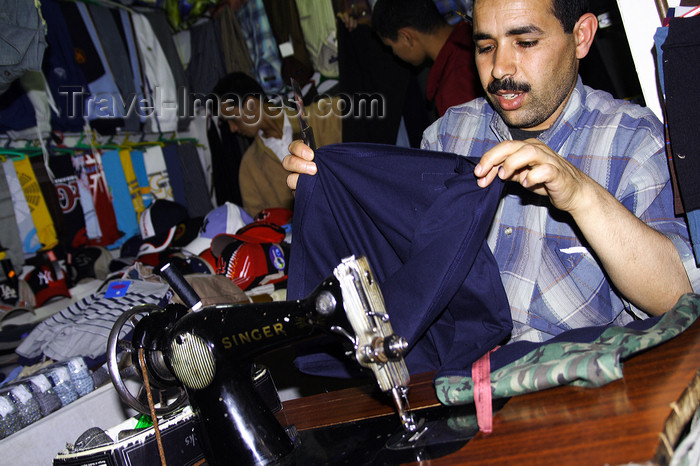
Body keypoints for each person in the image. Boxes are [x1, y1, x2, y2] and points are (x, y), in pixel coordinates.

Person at [283, 0, 700, 344]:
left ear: (581, 37)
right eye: (485, 47)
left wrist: (582, 196)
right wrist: (330, 204)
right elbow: (402, 281)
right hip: (462, 394)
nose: (500, 68)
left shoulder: (635, 141)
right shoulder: (447, 137)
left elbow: (678, 299)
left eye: (525, 42)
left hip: (583, 402)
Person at [212, 72, 342, 217]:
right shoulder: (249, 168)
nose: (232, 128)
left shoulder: (326, 117)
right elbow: (260, 223)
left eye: (233, 119)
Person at [370, 0, 481, 116]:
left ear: (406, 37)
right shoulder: (475, 37)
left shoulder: (453, 88)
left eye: (391, 47)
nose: (395, 54)